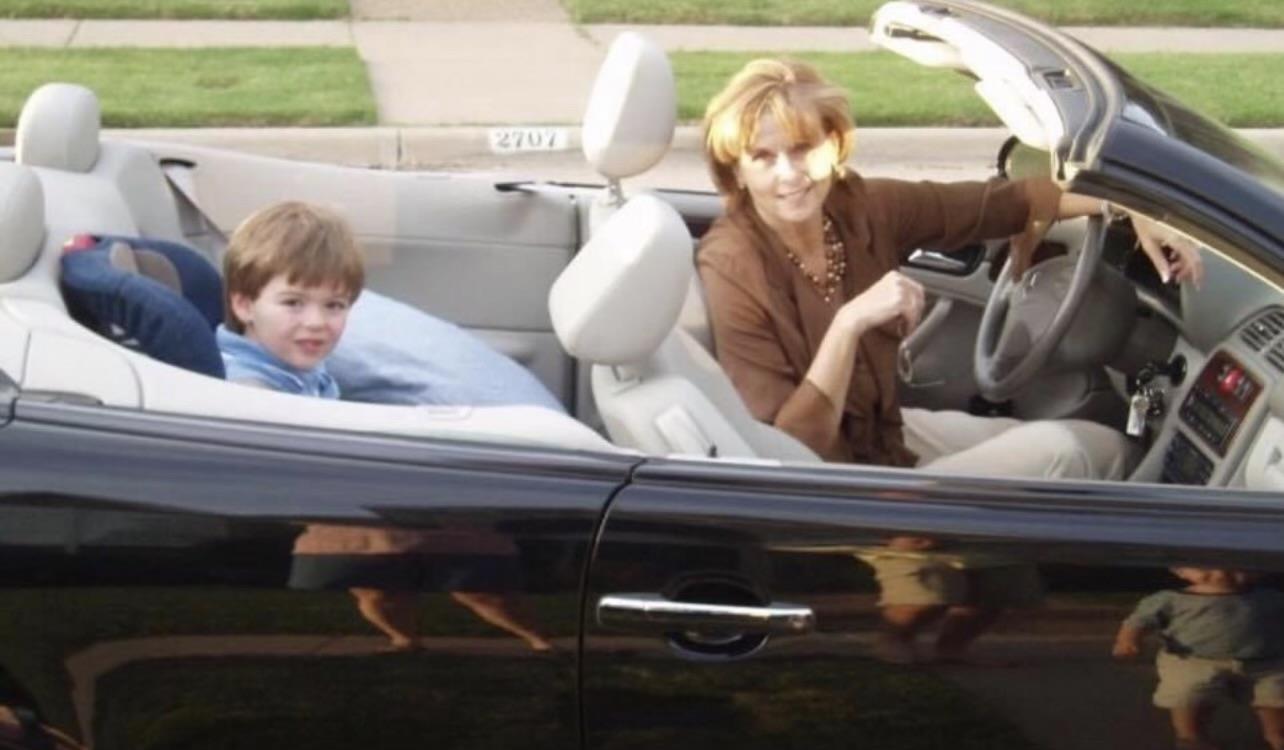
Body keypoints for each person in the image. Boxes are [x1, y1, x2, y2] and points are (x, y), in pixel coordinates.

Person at [696, 58, 1203, 477]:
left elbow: (1004, 202)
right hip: (835, 489)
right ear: (735, 171)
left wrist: (1130, 208)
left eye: (803, 148)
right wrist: (851, 322)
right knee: (1063, 453)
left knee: (1092, 445)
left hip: (879, 440)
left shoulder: (856, 207)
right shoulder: (734, 265)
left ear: (833, 144)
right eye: (763, 157)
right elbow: (793, 448)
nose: (789, 174)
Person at [1113, 567, 1284, 750]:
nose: (1221, 573)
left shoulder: (1271, 597)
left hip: (1265, 662)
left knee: (1275, 698)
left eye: (1237, 565)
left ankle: (1276, 733)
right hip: (1192, 661)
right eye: (1204, 567)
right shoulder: (1168, 599)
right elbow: (1138, 621)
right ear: (1179, 570)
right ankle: (1191, 737)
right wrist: (1128, 640)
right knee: (1189, 698)